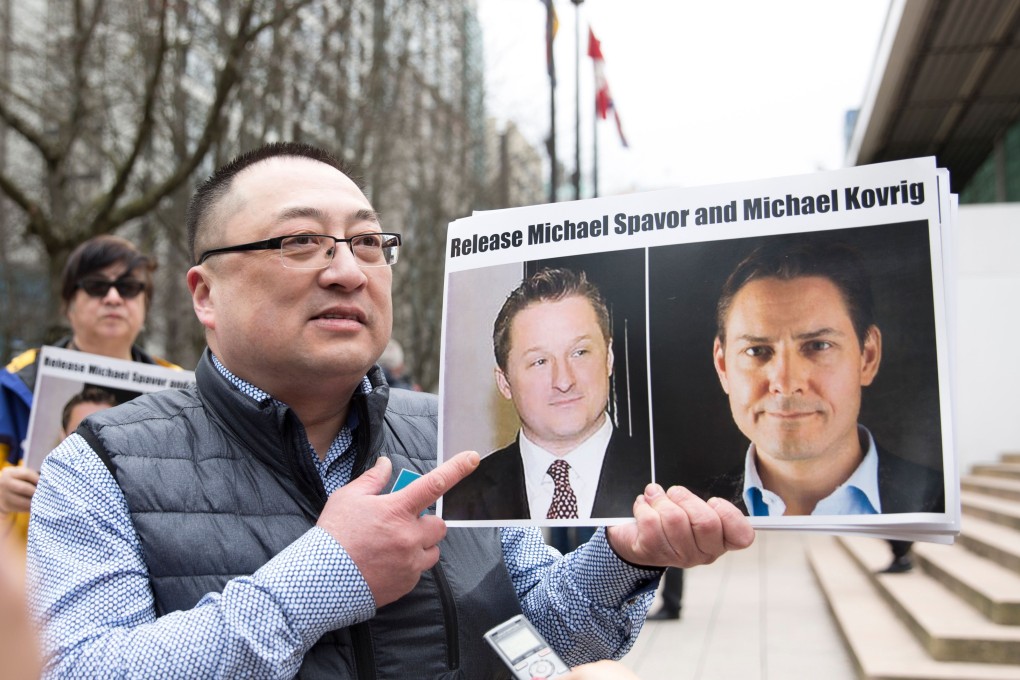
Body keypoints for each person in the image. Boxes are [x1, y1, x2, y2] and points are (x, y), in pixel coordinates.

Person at [26, 142, 754, 677]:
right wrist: (321, 580)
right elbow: (77, 669)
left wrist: (624, 555)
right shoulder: (98, 467)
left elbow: (548, 626)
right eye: (300, 241)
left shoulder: (449, 436)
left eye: (368, 242)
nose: (347, 269)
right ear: (205, 294)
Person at [708, 239, 944, 522]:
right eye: (756, 351)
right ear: (722, 366)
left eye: (818, 345)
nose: (785, 383)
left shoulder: (943, 503)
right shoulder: (681, 517)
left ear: (867, 357)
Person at [0, 235, 178, 550]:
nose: (112, 298)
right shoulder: (13, 384)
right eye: (96, 286)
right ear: (67, 304)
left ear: (145, 305)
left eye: (128, 288)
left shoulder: (179, 388)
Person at [443, 267, 652, 521]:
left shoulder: (679, 484)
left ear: (608, 358)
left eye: (580, 353)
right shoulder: (455, 503)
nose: (564, 381)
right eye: (540, 361)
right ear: (504, 382)